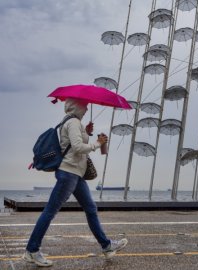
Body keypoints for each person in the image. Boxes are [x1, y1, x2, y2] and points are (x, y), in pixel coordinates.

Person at [22, 98, 128, 267]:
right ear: (77, 106)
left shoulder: (75, 123)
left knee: (91, 209)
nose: (86, 109)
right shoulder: (72, 122)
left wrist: (86, 131)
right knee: (50, 212)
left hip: (76, 175)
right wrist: (97, 144)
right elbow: (78, 147)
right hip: (68, 173)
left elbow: (76, 142)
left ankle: (107, 246)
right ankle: (31, 251)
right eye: (84, 106)